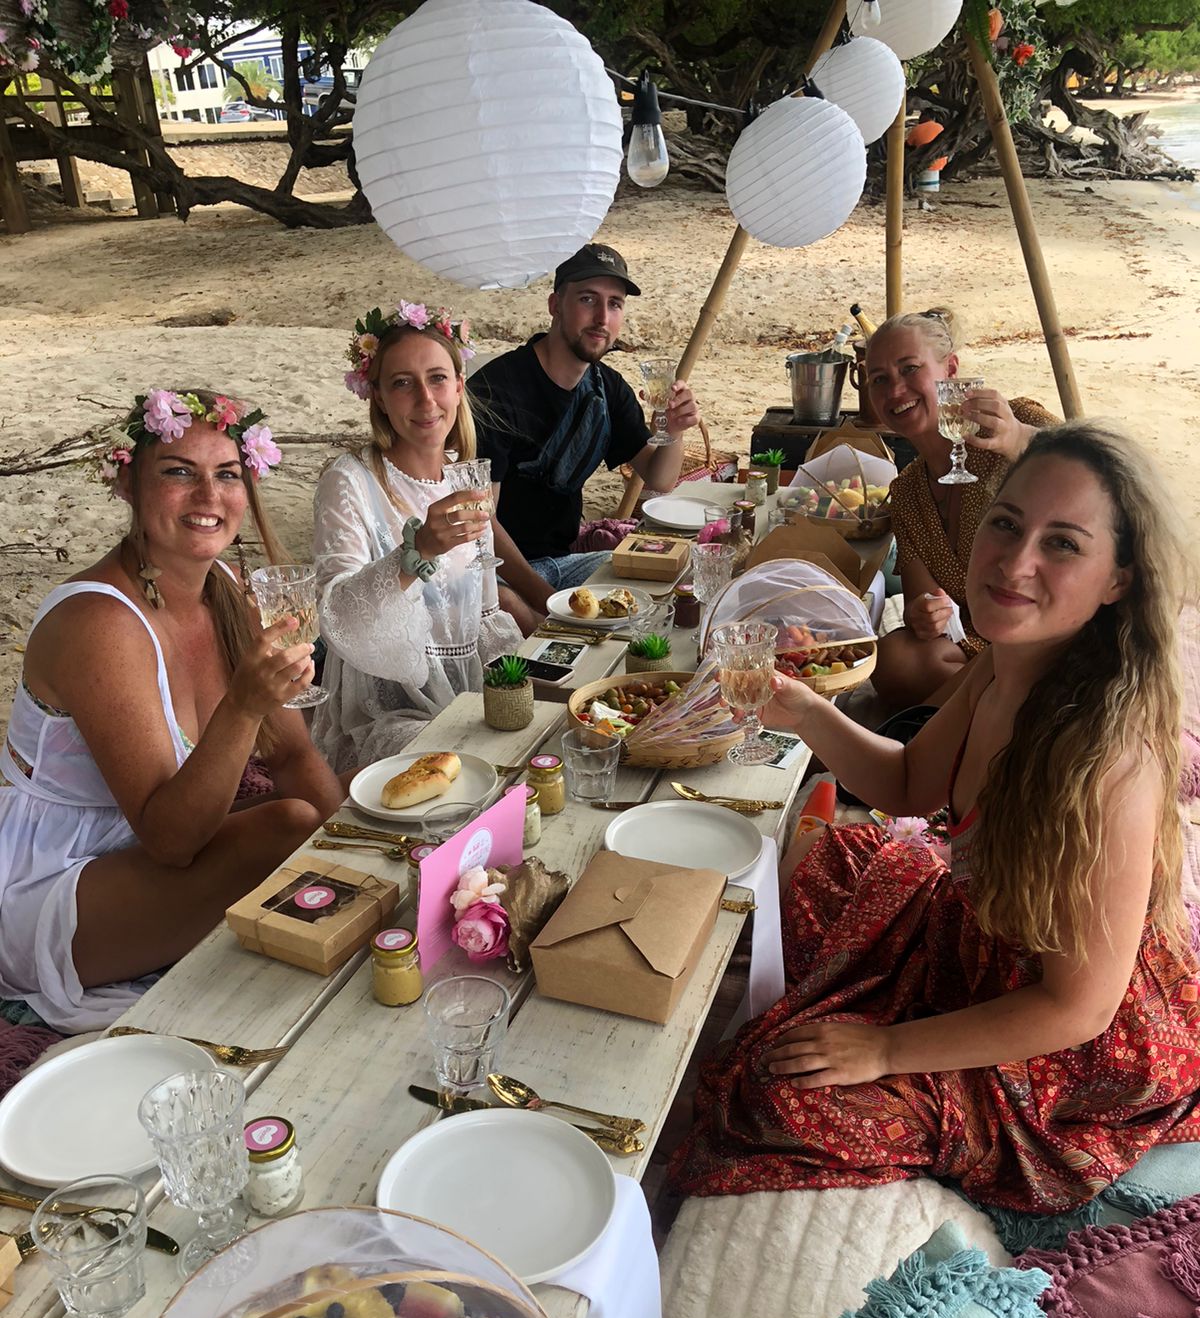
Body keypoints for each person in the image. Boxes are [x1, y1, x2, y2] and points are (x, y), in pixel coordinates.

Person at [670, 422, 1200, 1215]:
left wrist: (884, 1049)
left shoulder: (1105, 762)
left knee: (776, 1095)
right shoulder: (1002, 660)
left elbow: (1077, 1007)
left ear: (1118, 580)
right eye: (1007, 525)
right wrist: (802, 706)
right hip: (983, 938)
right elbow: (912, 783)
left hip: (1073, 1045)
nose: (1015, 563)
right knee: (838, 855)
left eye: (1063, 545)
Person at [0, 388, 343, 1034]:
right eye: (179, 472)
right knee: (289, 831)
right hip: (56, 878)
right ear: (131, 486)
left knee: (321, 826)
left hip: (146, 850)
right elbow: (171, 839)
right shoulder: (100, 622)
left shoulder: (231, 594)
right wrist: (243, 704)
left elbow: (293, 755)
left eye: (227, 475)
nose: (209, 497)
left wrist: (358, 856)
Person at [313, 302, 535, 770]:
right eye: (402, 383)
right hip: (386, 714)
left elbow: (487, 618)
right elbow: (336, 618)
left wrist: (519, 688)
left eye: (437, 378)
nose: (425, 400)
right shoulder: (350, 481)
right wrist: (414, 554)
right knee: (468, 770)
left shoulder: (464, 481)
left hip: (468, 700)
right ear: (377, 396)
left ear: (459, 386)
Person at [468, 243, 702, 590]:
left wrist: (674, 429)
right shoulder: (496, 391)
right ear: (555, 305)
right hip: (496, 573)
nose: (602, 319)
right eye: (587, 299)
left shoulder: (607, 388)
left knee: (681, 576)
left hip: (565, 563)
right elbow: (482, 522)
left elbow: (660, 478)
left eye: (614, 304)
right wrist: (545, 601)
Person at [865, 308, 1057, 709]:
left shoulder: (1013, 421)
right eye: (879, 379)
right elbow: (925, 608)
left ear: (950, 368)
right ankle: (1007, 704)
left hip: (1046, 625)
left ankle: (997, 706)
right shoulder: (908, 492)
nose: (895, 391)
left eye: (910, 369)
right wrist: (924, 613)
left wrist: (1021, 441)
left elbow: (1105, 474)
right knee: (894, 659)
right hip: (976, 644)